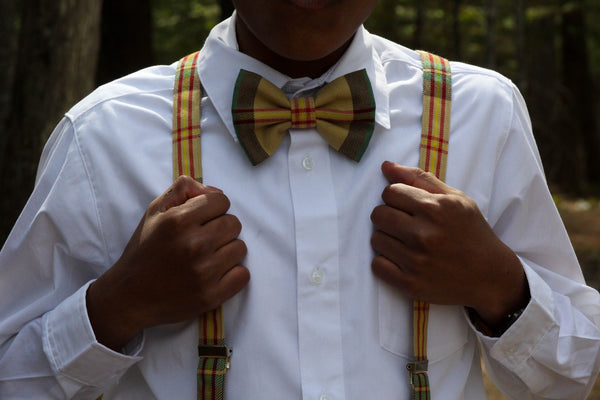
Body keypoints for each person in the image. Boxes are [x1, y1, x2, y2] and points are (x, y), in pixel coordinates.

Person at [1, 0, 599, 398]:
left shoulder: (481, 114)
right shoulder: (103, 136)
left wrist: (500, 288)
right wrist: (114, 309)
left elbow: (575, 373)